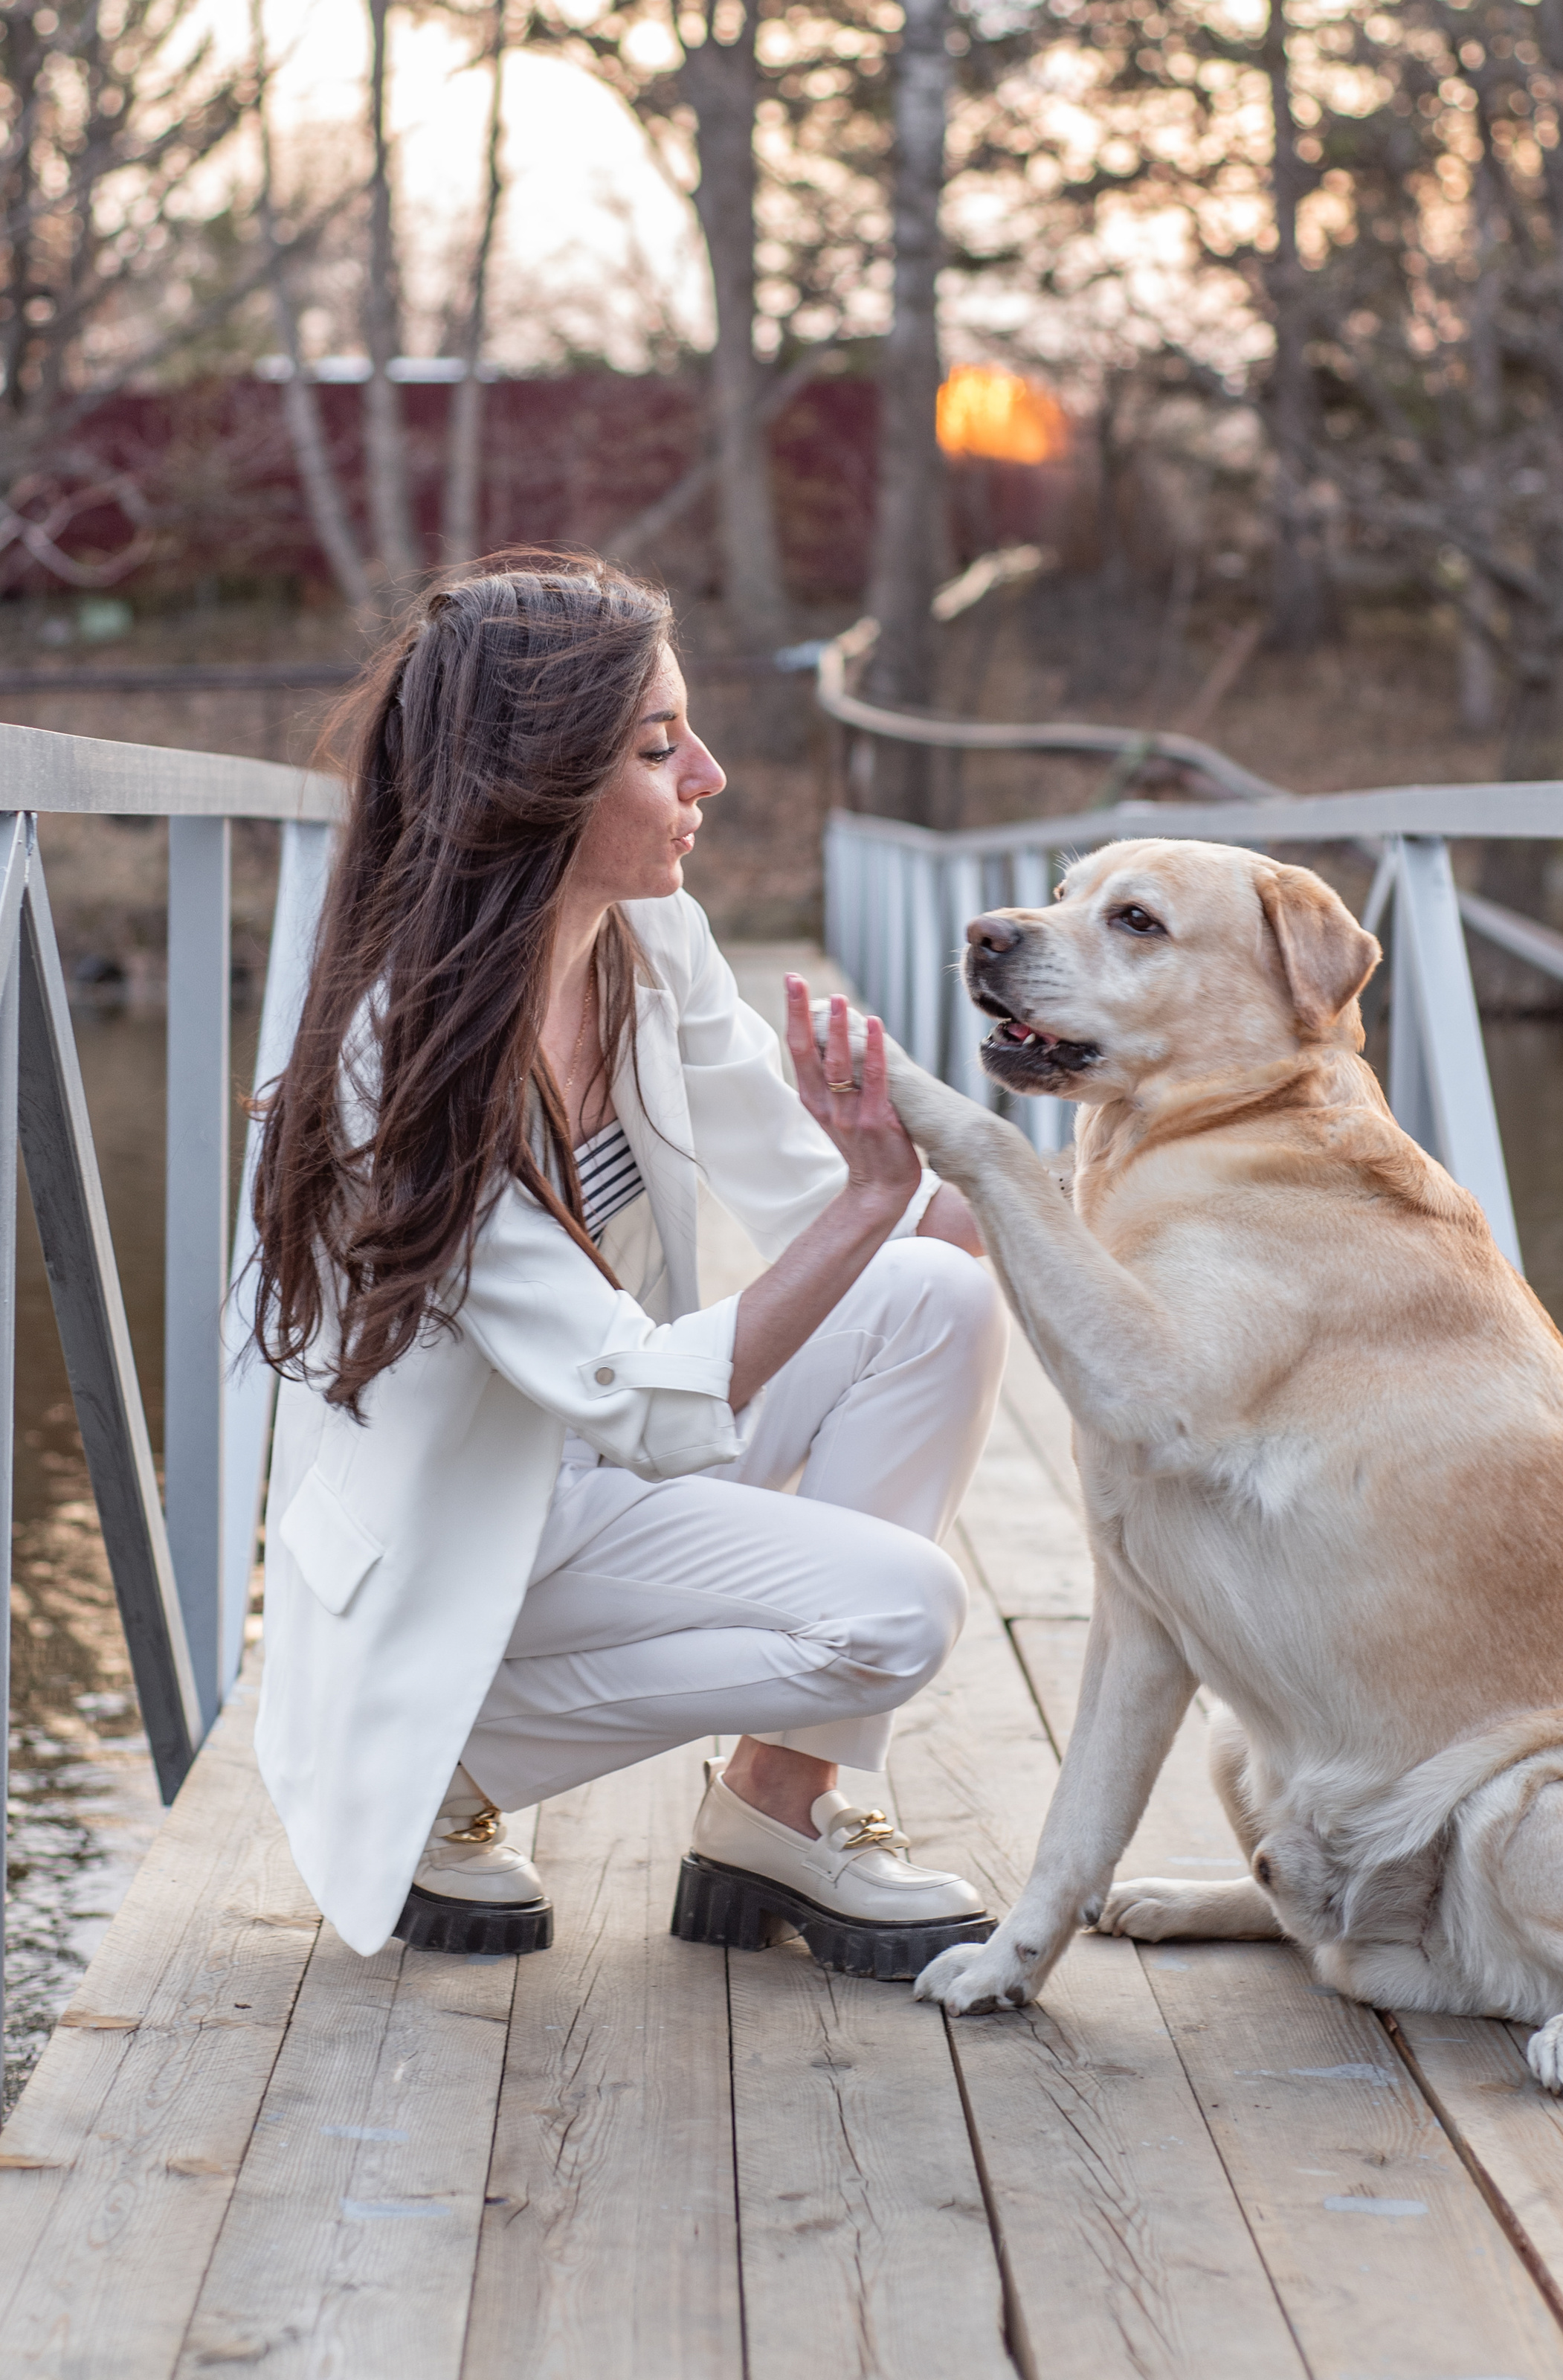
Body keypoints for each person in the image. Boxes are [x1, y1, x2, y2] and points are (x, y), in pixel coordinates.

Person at [248, 553, 1007, 1978]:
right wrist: (869, 1205)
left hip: (601, 1474)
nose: (708, 774)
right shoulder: (398, 1057)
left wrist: (1025, 1215)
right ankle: (436, 1757)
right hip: (469, 1527)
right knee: (901, 1609)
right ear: (532, 781)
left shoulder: (649, 938)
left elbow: (823, 1200)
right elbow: (649, 1397)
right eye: (660, 749)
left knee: (940, 1295)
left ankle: (775, 1807)